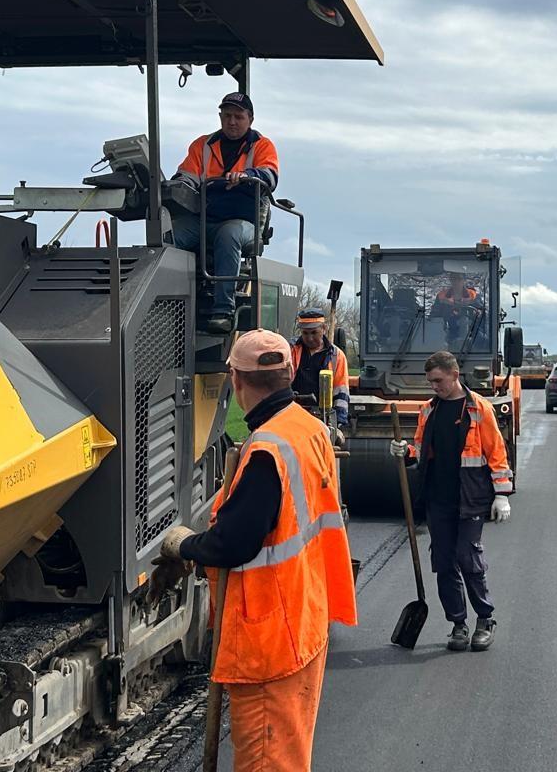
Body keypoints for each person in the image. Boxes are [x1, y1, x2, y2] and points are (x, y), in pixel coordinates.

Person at [149, 329, 356, 771]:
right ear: (289, 374)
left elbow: (235, 543)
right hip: (303, 618)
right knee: (290, 754)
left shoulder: (267, 450)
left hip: (269, 637)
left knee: (267, 762)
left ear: (236, 381)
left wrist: (185, 544)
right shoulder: (309, 428)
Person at [389, 350, 512, 652]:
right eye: (430, 382)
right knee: (444, 563)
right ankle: (458, 623)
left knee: (467, 559)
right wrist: (404, 452)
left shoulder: (478, 409)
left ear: (455, 375)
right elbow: (420, 450)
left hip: (470, 497)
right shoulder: (428, 410)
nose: (434, 387)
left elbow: (496, 452)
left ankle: (485, 619)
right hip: (437, 498)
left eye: (438, 381)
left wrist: (501, 495)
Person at [171, 92, 279, 334]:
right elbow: (187, 175)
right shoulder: (203, 145)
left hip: (245, 224)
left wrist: (248, 176)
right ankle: (172, 303)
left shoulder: (262, 146)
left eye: (238, 116)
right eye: (227, 115)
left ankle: (223, 310)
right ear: (220, 116)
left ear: (250, 119)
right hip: (204, 221)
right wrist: (175, 185)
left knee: (229, 234)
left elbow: (270, 176)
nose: (232, 121)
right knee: (169, 235)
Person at [290, 308, 350, 436]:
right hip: (293, 414)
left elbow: (341, 391)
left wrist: (338, 424)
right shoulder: (291, 350)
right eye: (305, 333)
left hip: (323, 418)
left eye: (314, 333)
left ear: (324, 328)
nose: (310, 338)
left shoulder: (336, 356)